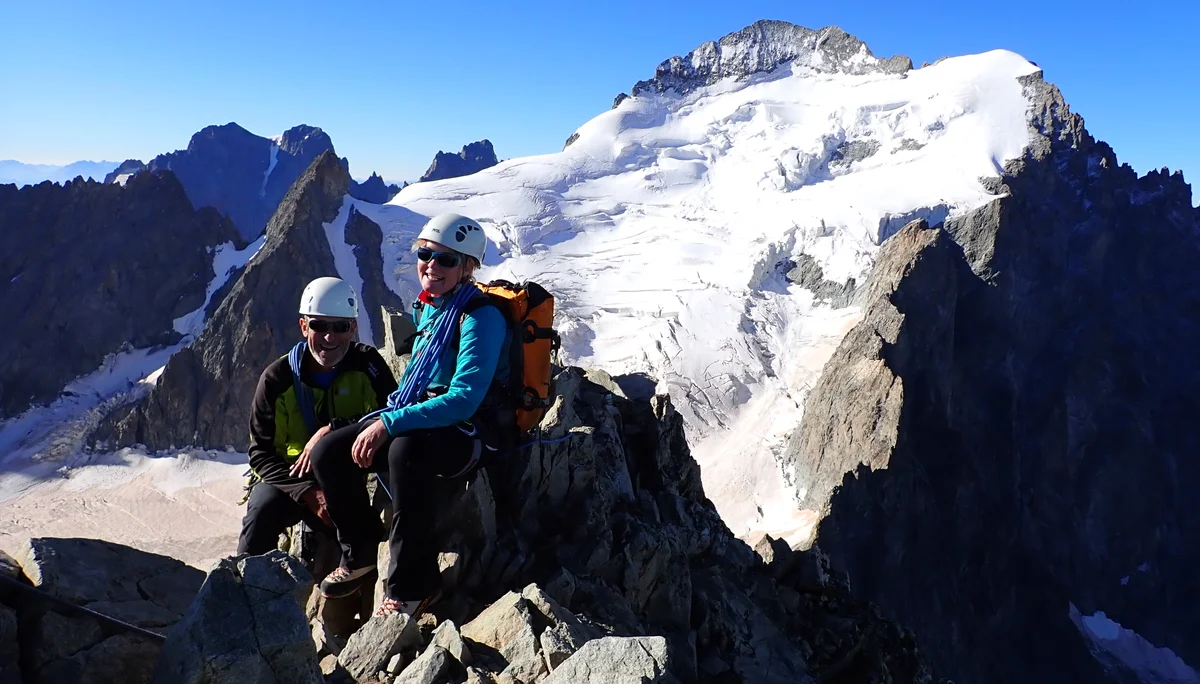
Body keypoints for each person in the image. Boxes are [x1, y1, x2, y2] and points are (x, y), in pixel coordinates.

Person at [308, 212, 512, 618]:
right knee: (329, 451)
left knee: (405, 452)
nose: (431, 266)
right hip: (422, 415)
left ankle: (414, 587)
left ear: (468, 267)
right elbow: (414, 387)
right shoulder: (431, 309)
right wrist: (367, 423)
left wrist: (388, 423)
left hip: (469, 432)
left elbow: (463, 400)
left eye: (447, 260)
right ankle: (360, 551)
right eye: (425, 254)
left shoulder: (480, 317)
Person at [237, 277, 398, 557]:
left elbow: (394, 413)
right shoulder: (277, 379)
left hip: (347, 475)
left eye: (340, 327)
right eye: (318, 325)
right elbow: (260, 453)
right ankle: (242, 587)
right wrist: (310, 493)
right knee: (261, 511)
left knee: (366, 539)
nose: (329, 336)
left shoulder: (368, 364)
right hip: (291, 480)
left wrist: (331, 430)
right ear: (303, 326)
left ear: (353, 328)